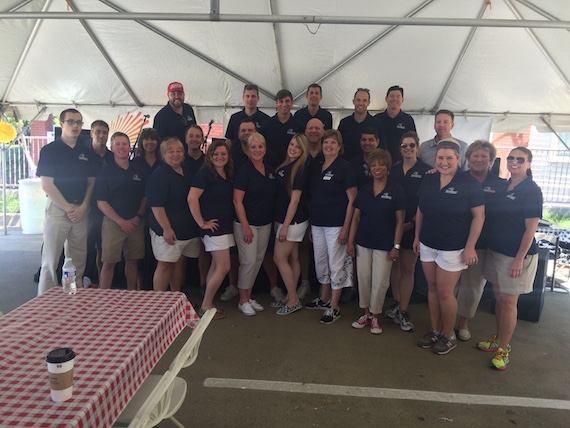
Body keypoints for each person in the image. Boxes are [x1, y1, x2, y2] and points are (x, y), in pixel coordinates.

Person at [414, 139, 485, 355]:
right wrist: (417, 237)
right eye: (440, 158)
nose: (444, 162)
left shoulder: (469, 183)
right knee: (432, 288)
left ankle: (449, 335)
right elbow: (420, 211)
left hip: (453, 247)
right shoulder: (429, 179)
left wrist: (470, 247)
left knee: (445, 292)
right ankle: (435, 330)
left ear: (458, 159)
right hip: (428, 243)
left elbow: (479, 217)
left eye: (449, 158)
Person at [478, 147, 542, 370]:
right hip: (496, 251)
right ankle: (497, 339)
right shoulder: (504, 186)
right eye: (511, 158)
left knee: (508, 302)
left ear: (529, 164)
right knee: (499, 299)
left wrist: (518, 259)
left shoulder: (531, 190)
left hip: (515, 256)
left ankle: (504, 349)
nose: (514, 162)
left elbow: (530, 230)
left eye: (520, 159)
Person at [36, 109, 97, 295]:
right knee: (50, 261)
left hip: (81, 210)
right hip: (58, 209)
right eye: (71, 122)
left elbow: (91, 182)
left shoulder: (86, 152)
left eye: (79, 122)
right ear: (61, 124)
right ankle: (44, 304)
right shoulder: (49, 150)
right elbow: (47, 185)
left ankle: (73, 302)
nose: (76, 126)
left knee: (78, 260)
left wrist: (84, 206)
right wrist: (69, 208)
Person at [348, 149, 405, 334]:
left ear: (387, 167)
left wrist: (396, 246)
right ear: (370, 168)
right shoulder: (364, 189)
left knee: (380, 282)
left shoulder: (396, 189)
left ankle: (375, 316)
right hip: (363, 242)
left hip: (385, 244)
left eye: (381, 164)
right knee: (364, 278)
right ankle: (365, 313)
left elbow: (399, 221)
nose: (377, 168)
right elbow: (355, 218)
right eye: (374, 165)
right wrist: (350, 242)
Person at [454, 140, 506, 341]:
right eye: (475, 155)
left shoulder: (500, 185)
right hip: (454, 241)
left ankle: (463, 323)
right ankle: (447, 322)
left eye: (484, 156)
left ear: (491, 160)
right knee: (450, 286)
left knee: (473, 286)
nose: (479, 159)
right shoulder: (457, 179)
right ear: (468, 159)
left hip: (481, 245)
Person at [306, 129, 357, 324]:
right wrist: (311, 225)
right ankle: (324, 298)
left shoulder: (345, 167)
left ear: (339, 146)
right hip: (318, 223)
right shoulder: (318, 165)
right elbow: (314, 198)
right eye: (325, 143)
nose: (328, 146)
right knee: (321, 262)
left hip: (336, 225)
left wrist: (346, 228)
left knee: (336, 264)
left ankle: (334, 307)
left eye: (333, 143)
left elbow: (352, 199)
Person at [388, 131, 432, 331]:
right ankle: (396, 303)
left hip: (414, 226)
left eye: (411, 145)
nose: (408, 149)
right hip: (393, 225)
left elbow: (426, 203)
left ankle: (404, 311)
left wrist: (412, 224)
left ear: (417, 147)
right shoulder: (393, 170)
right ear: (400, 149)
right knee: (394, 267)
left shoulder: (427, 171)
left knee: (407, 268)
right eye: (404, 145)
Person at [146, 138, 200, 295]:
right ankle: (159, 302)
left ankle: (175, 299)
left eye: (179, 151)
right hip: (168, 231)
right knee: (165, 265)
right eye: (171, 151)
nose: (175, 154)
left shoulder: (186, 171)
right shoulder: (159, 175)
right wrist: (167, 229)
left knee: (179, 264)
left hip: (186, 231)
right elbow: (156, 206)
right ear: (163, 154)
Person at [188, 140, 235, 318]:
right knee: (224, 267)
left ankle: (208, 301)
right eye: (215, 154)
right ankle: (206, 306)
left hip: (225, 226)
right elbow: (192, 199)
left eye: (223, 154)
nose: (219, 157)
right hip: (214, 229)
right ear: (209, 155)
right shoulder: (204, 174)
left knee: (216, 266)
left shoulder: (226, 173)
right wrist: (202, 223)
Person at [95, 132, 147, 290]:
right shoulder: (105, 171)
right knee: (109, 263)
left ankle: (131, 294)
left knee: (133, 261)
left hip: (136, 224)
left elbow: (145, 196)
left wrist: (138, 217)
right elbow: (101, 202)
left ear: (130, 147)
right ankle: (103, 299)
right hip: (113, 224)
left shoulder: (138, 169)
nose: (121, 147)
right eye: (117, 144)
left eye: (124, 144)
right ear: (112, 148)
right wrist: (121, 222)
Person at [233, 133, 277, 316]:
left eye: (260, 147)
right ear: (248, 150)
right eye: (253, 147)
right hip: (247, 224)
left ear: (265, 149)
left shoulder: (269, 169)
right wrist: (245, 226)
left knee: (258, 261)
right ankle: (242, 300)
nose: (257, 150)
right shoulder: (244, 170)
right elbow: (237, 201)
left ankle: (248, 296)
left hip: (265, 224)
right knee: (248, 261)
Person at [272, 133, 310, 315]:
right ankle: (290, 295)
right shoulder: (286, 165)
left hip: (293, 221)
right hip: (283, 218)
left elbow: (294, 201)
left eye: (298, 146)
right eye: (292, 144)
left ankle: (293, 299)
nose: (293, 148)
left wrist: (285, 226)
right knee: (292, 257)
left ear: (304, 150)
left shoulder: (299, 169)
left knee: (279, 259)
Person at [297, 118, 325, 300]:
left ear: (323, 131)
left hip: (324, 208)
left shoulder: (329, 153)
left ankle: (325, 287)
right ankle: (305, 283)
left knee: (325, 247)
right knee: (303, 245)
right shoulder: (299, 154)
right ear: (305, 131)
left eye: (317, 128)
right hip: (300, 206)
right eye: (310, 128)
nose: (313, 131)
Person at [132, 128, 162, 290]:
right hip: (139, 212)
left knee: (156, 251)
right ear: (141, 142)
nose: (150, 142)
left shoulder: (163, 163)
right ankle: (140, 285)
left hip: (159, 213)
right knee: (140, 251)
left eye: (153, 139)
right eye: (146, 139)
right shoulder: (135, 163)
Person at [84, 120, 113, 287]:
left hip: (109, 208)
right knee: (88, 245)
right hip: (89, 208)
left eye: (104, 132)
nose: (101, 135)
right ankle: (86, 278)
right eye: (98, 132)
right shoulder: (84, 155)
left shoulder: (112, 157)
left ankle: (100, 281)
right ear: (91, 133)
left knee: (104, 248)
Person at [259, 89, 305, 167]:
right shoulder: (266, 125)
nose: (284, 104)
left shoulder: (299, 126)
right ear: (276, 103)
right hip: (269, 167)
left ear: (292, 103)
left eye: (287, 101)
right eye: (281, 101)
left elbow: (303, 150)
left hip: (291, 169)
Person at [338, 88, 386, 161]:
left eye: (364, 100)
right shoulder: (344, 123)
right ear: (353, 101)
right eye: (358, 100)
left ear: (368, 103)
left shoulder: (377, 124)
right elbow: (338, 146)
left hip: (369, 167)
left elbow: (382, 149)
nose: (361, 103)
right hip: (347, 167)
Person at [375, 85, 416, 163]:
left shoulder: (408, 120)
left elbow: (413, 143)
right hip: (380, 163)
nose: (395, 99)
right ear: (386, 99)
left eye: (398, 96)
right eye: (392, 96)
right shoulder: (377, 119)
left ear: (402, 100)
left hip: (401, 163)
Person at [153, 82, 196, 151]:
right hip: (172, 157)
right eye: (173, 94)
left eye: (179, 93)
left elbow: (195, 130)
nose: (176, 96)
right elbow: (159, 142)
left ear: (184, 95)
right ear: (168, 95)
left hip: (190, 154)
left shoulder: (188, 109)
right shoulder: (161, 116)